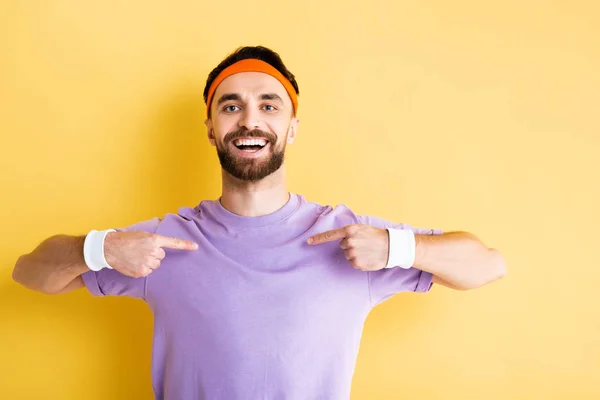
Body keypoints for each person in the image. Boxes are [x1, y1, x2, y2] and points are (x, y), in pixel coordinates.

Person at [12, 46, 506, 400]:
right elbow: (28, 271)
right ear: (211, 129)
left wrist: (399, 249)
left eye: (269, 105)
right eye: (231, 106)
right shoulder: (164, 241)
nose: (250, 120)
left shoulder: (352, 237)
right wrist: (99, 248)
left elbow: (488, 265)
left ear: (291, 126)